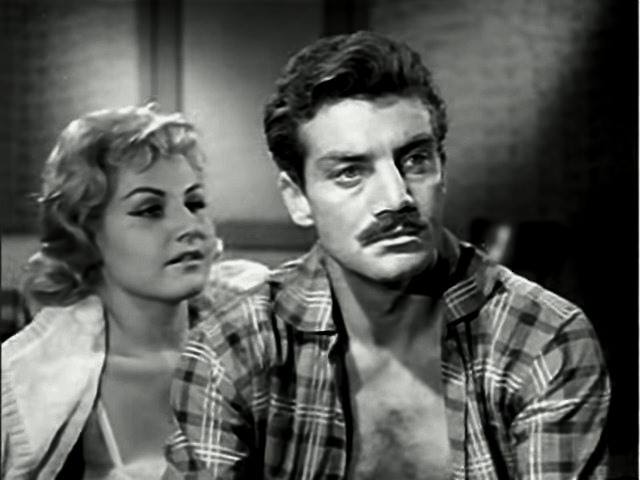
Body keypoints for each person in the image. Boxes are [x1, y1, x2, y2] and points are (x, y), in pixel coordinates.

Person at [166, 32, 610, 479]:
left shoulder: (542, 338)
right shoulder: (232, 348)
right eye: (350, 172)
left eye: (415, 160)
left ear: (442, 170)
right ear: (297, 198)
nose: (397, 198)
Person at [0, 104, 267, 479]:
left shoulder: (257, 345)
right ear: (85, 231)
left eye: (194, 203)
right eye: (149, 210)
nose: (189, 225)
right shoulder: (32, 387)